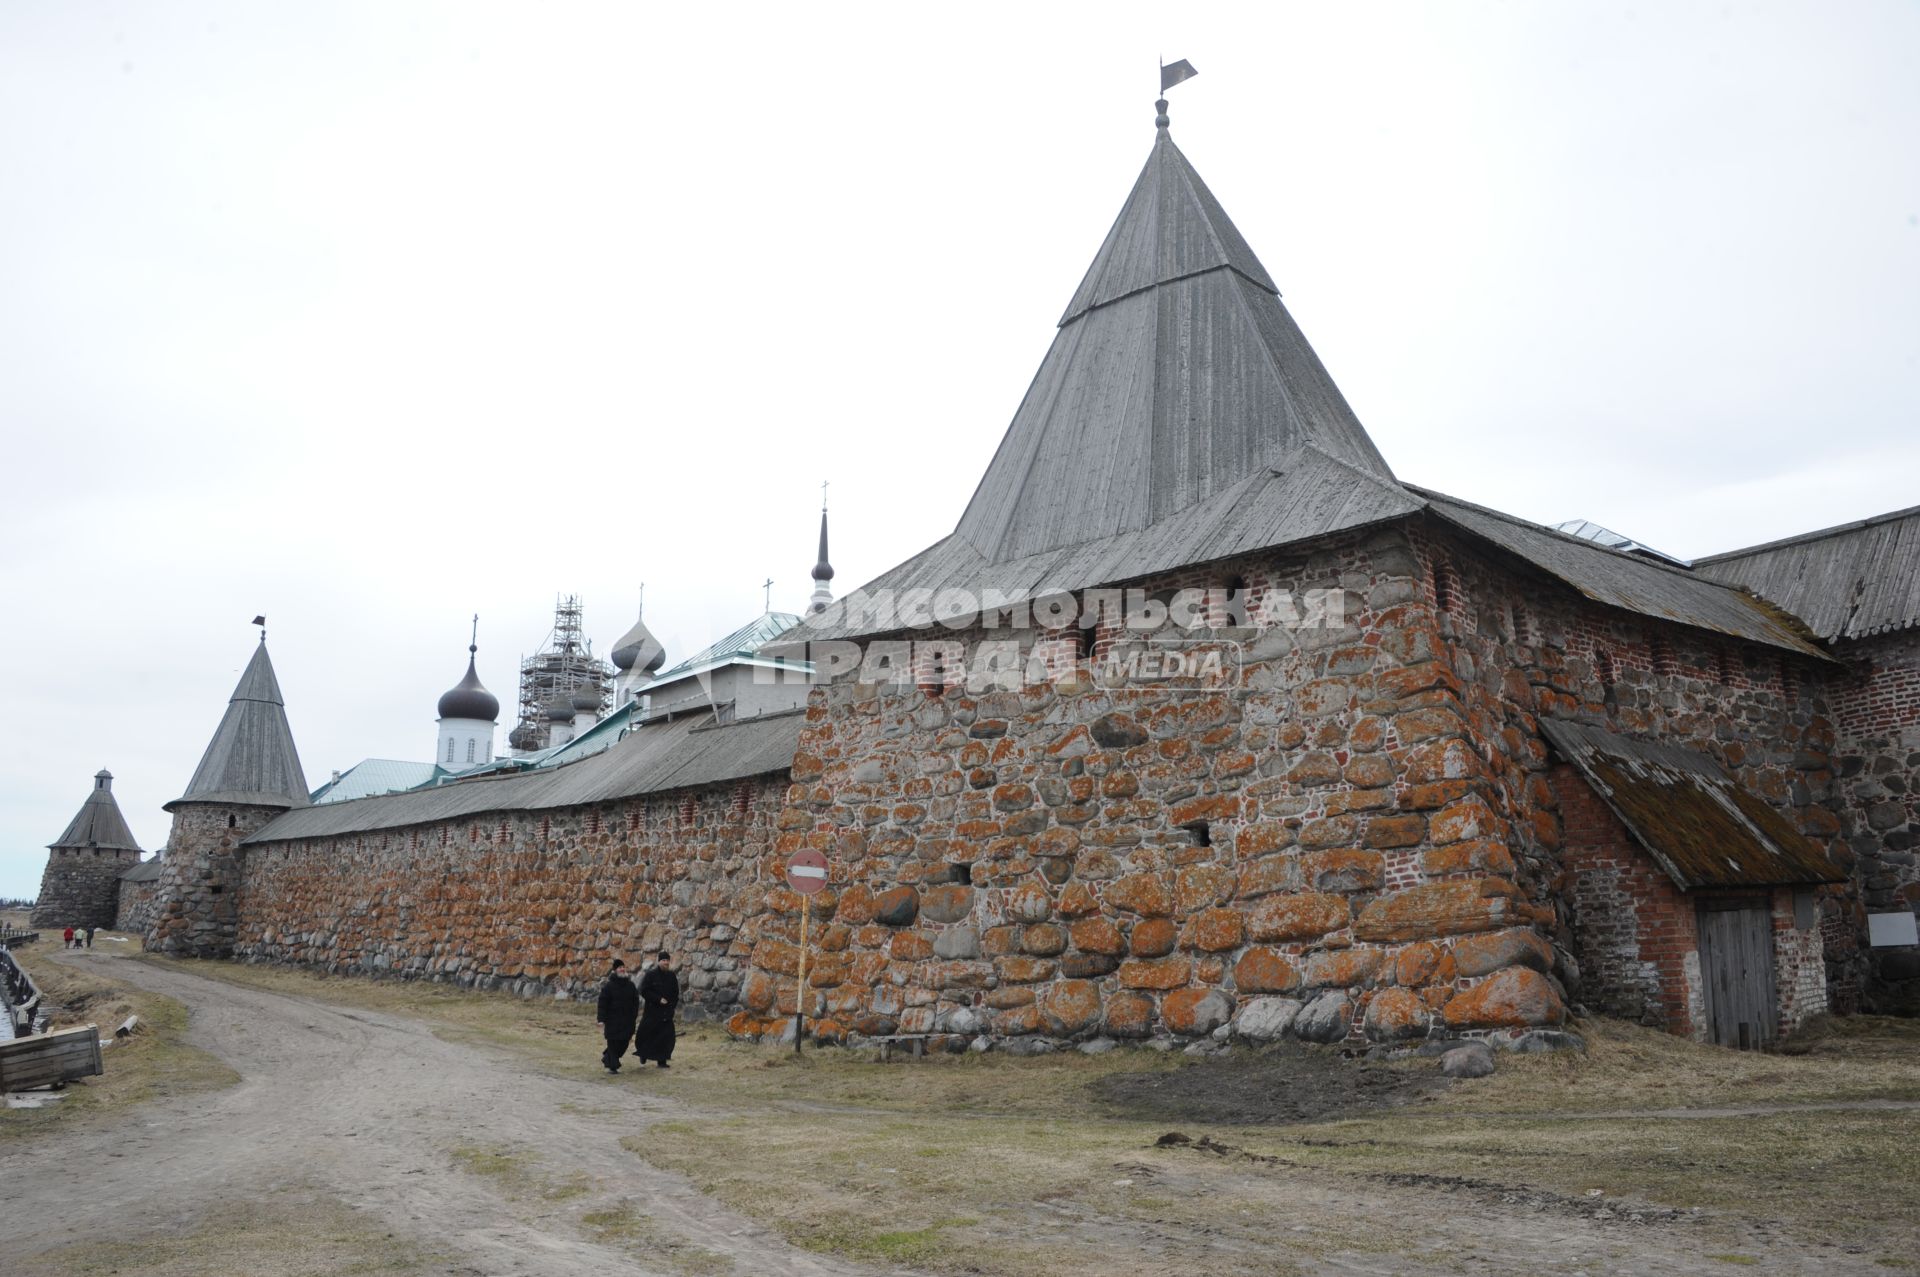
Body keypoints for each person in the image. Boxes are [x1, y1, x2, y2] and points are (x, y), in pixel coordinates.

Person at [634, 951, 680, 1068]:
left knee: (666, 1037)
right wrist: (658, 999)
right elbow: (643, 990)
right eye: (663, 960)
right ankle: (643, 1054)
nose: (666, 963)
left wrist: (672, 1007)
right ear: (659, 961)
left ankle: (662, 1061)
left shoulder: (671, 976)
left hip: (666, 1013)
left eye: (667, 960)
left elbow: (676, 993)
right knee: (645, 1035)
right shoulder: (650, 975)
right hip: (652, 1011)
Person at [594, 959, 639, 1075]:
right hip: (613, 1021)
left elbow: (636, 1001)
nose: (622, 969)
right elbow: (602, 1003)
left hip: (627, 1021)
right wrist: (601, 1020)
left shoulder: (631, 985)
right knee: (613, 1043)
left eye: (623, 967)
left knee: (623, 1044)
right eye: (619, 967)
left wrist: (634, 1015)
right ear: (615, 970)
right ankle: (613, 1067)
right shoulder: (609, 987)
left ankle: (608, 1057)